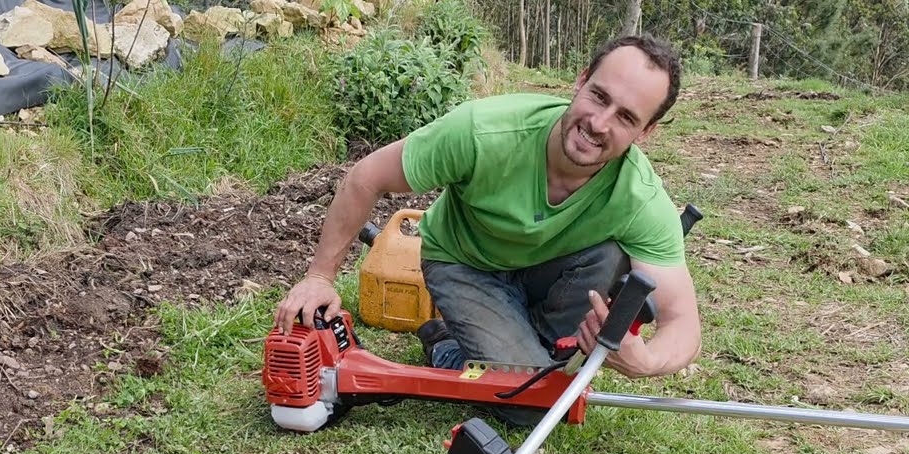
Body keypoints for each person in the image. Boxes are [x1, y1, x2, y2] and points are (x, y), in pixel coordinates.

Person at [273, 33, 701, 425]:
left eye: (625, 117)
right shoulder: (485, 132)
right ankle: (449, 348)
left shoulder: (640, 196)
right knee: (529, 404)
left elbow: (683, 323)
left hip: (548, 268)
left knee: (609, 259)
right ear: (580, 80)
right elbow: (366, 177)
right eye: (598, 96)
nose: (599, 123)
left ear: (646, 131)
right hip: (466, 264)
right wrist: (319, 277)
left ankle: (518, 348)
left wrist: (645, 360)